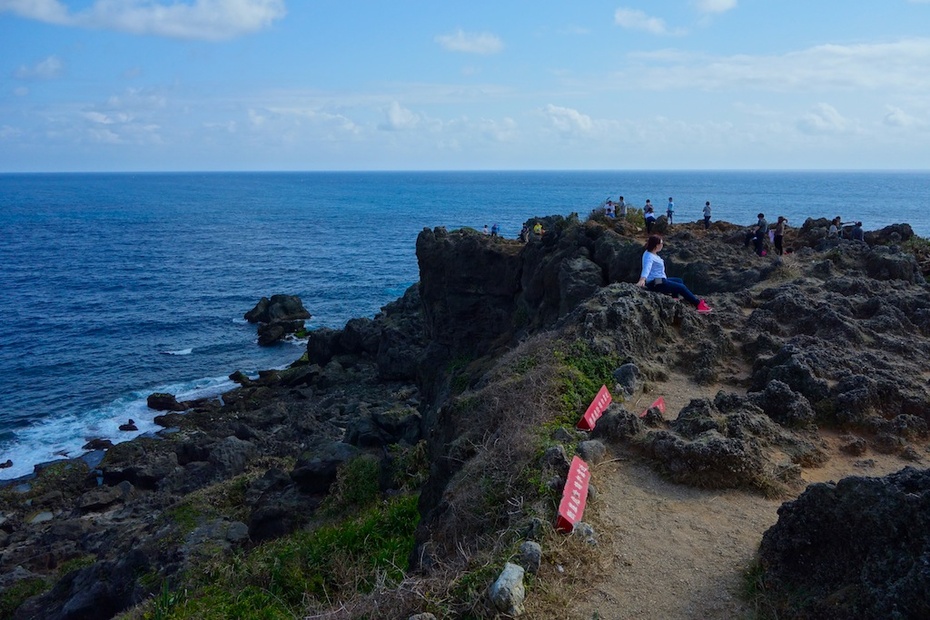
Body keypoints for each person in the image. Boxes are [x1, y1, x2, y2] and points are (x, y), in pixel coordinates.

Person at [637, 235, 712, 314]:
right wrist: (642, 279)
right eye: (661, 243)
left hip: (658, 280)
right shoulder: (649, 257)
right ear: (657, 245)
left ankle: (674, 298)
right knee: (681, 287)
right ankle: (698, 304)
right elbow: (646, 268)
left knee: (679, 280)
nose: (663, 245)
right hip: (655, 283)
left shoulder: (650, 252)